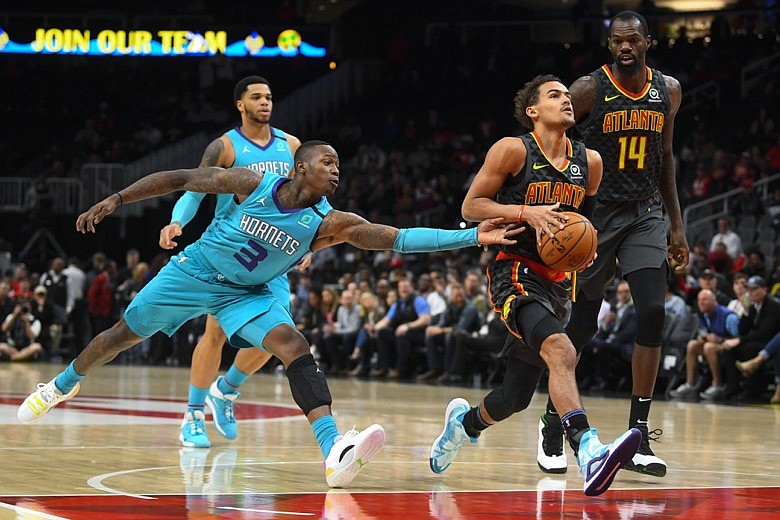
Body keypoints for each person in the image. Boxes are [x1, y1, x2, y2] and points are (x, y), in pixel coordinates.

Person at [18, 140, 520, 488]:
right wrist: (118, 198)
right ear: (301, 167)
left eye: (340, 167)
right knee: (120, 335)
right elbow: (179, 178)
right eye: (329, 162)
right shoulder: (251, 182)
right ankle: (60, 384)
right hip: (194, 271)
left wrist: (473, 235)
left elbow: (398, 239)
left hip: (249, 292)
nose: (338, 171)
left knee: (294, 345)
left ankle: (333, 451)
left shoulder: (330, 222)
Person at [428, 74, 641, 497]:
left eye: (567, 95)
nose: (566, 100)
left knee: (513, 398)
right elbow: (471, 206)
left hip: (557, 283)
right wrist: (528, 212)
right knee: (562, 350)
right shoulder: (512, 150)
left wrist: (587, 245)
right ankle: (590, 449)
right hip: (515, 272)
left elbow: (587, 218)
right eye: (554, 95)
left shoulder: (590, 162)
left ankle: (463, 426)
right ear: (533, 111)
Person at [540, 11, 689, 479]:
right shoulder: (587, 89)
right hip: (596, 219)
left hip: (646, 212)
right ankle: (552, 421)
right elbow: (551, 139)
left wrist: (677, 227)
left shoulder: (669, 90)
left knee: (652, 312)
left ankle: (639, 434)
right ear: (609, 46)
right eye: (617, 41)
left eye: (633, 39)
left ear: (648, 42)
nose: (626, 46)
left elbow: (665, 158)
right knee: (581, 327)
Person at [158, 75, 302, 448]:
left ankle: (226, 390)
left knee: (280, 337)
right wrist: (177, 221)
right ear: (240, 104)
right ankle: (192, 414)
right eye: (256, 97)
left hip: (273, 253)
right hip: (230, 252)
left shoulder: (291, 145)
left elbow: (303, 199)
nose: (265, 102)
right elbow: (193, 189)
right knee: (216, 332)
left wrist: (307, 245)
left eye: (269, 97)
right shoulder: (224, 147)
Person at [668, 289, 739, 400]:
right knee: (692, 345)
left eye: (705, 299)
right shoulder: (703, 315)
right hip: (713, 345)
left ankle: (717, 384)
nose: (701, 302)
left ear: (714, 301)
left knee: (709, 347)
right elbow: (703, 331)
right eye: (699, 300)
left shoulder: (729, 317)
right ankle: (690, 383)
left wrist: (720, 340)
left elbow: (738, 339)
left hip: (730, 349)